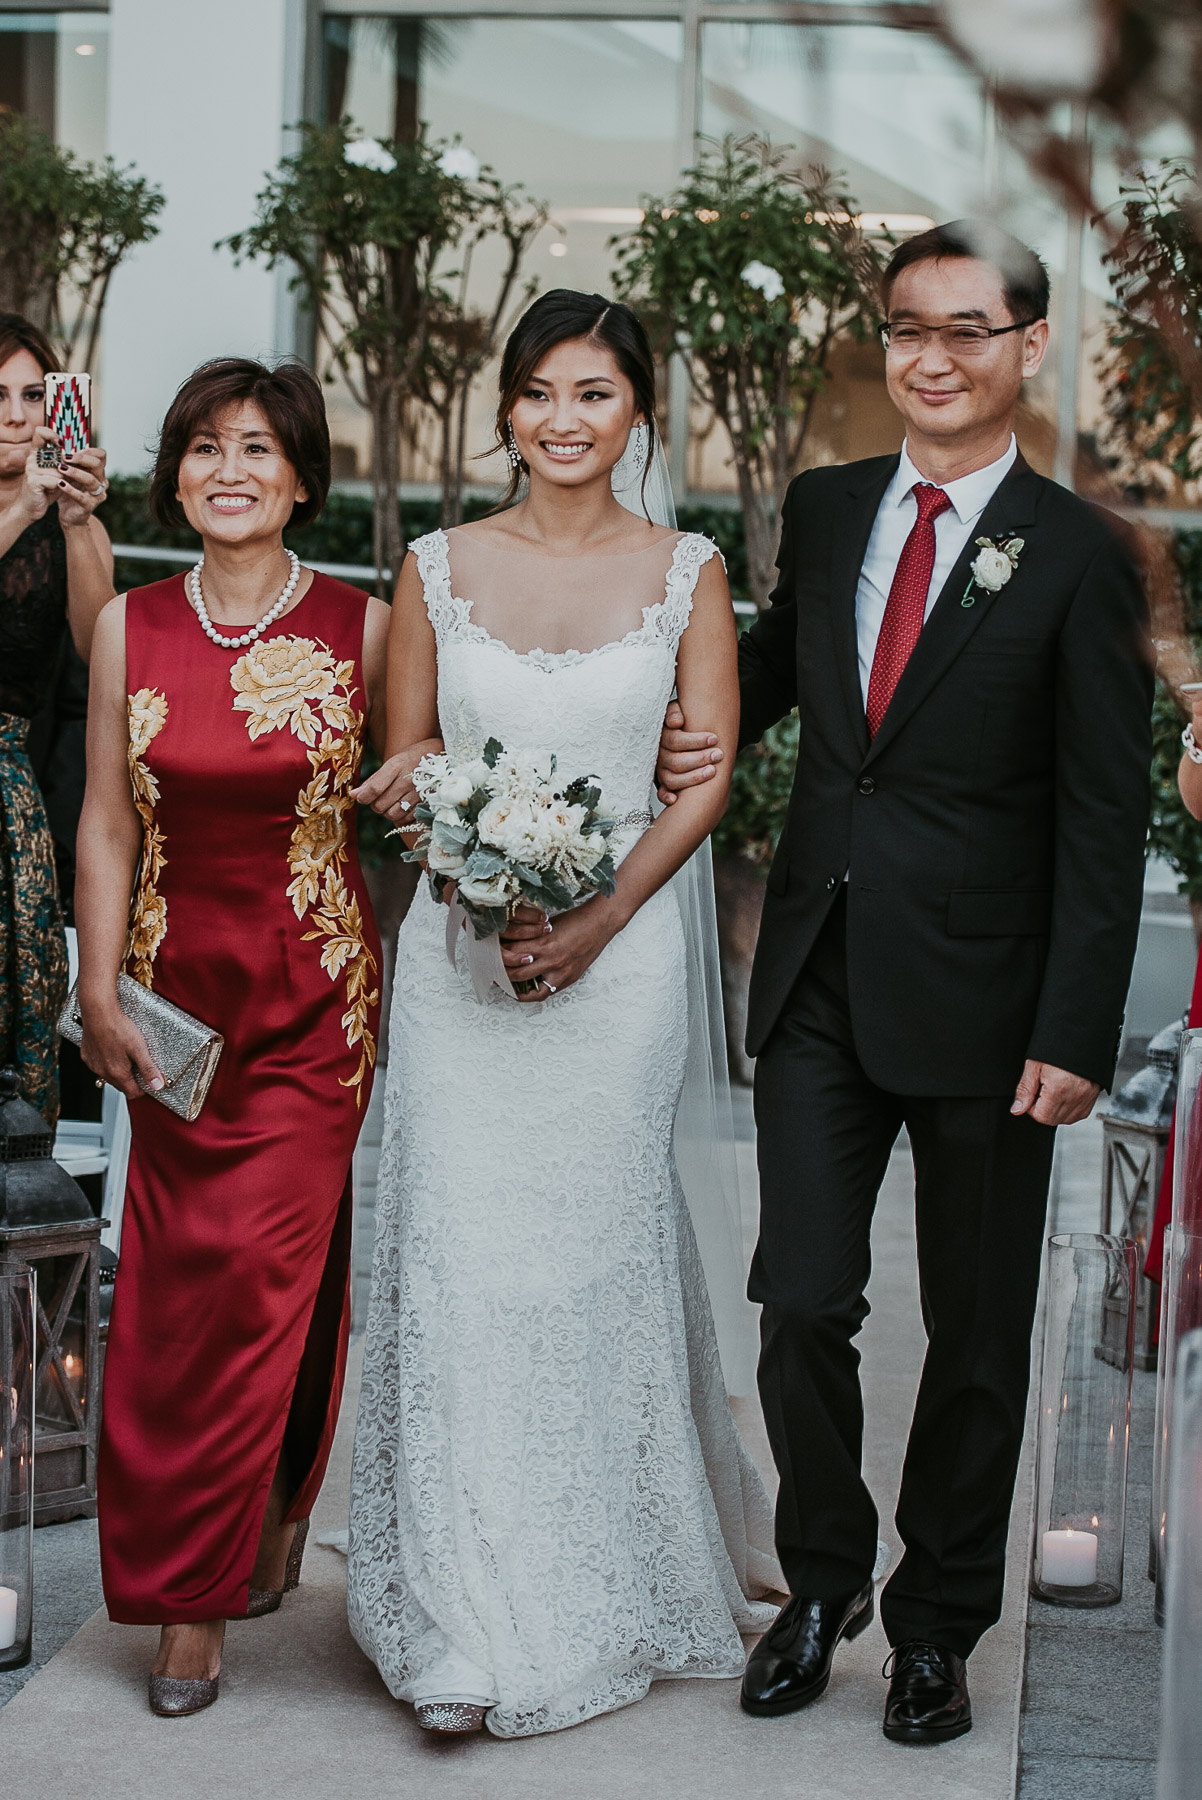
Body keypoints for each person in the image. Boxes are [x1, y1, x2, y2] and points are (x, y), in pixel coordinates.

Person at [657, 222, 1153, 1744]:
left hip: (993, 1008)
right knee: (799, 1300)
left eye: (965, 330)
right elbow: (755, 681)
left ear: (1023, 350)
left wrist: (1077, 1027)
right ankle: (822, 1583)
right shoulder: (824, 510)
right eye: (906, 329)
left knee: (977, 1332)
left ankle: (937, 1620)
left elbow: (1101, 812)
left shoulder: (1081, 554)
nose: (929, 358)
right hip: (814, 972)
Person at [348, 289, 779, 1738]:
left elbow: (703, 777)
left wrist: (593, 918)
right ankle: (462, 1618)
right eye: (536, 392)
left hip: (624, 968)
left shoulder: (688, 570)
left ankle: (597, 1580)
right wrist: (472, 862)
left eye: (592, 393)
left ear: (638, 412)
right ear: (506, 409)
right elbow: (408, 758)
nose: (561, 420)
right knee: (463, 1260)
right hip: (462, 968)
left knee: (586, 1260)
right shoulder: (433, 566)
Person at [75, 358, 387, 1717]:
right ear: (176, 474)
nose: (229, 470)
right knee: (170, 1300)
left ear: (303, 476)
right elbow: (105, 821)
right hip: (169, 1009)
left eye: (258, 448)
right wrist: (94, 991)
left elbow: (426, 771)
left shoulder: (366, 628)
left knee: (270, 1284)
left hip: (315, 1004)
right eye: (204, 448)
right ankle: (234, 1542)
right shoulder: (126, 627)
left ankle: (194, 1610)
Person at [0, 311, 113, 1123]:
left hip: (8, 794)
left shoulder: (69, 517)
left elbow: (100, 647)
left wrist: (71, 525)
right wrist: (16, 512)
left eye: (33, 393)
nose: (15, 414)